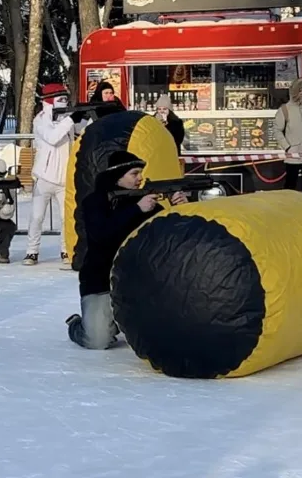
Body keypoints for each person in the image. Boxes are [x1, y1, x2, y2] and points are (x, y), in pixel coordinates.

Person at [65, 151, 188, 349]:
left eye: (140, 173)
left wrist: (179, 209)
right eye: (134, 173)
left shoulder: (146, 204)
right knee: (96, 340)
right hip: (101, 280)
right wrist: (136, 210)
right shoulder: (95, 202)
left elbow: (170, 237)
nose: (140, 178)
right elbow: (101, 235)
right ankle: (77, 325)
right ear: (117, 176)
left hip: (139, 281)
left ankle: (116, 319)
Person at [23, 83, 82, 266]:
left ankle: (66, 250)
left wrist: (86, 116)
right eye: (60, 98)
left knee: (66, 218)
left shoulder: (67, 119)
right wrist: (71, 119)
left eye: (66, 98)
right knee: (37, 217)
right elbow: (53, 137)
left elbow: (81, 131)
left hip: (64, 178)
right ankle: (32, 251)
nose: (64, 102)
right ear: (50, 100)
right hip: (44, 177)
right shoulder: (40, 120)